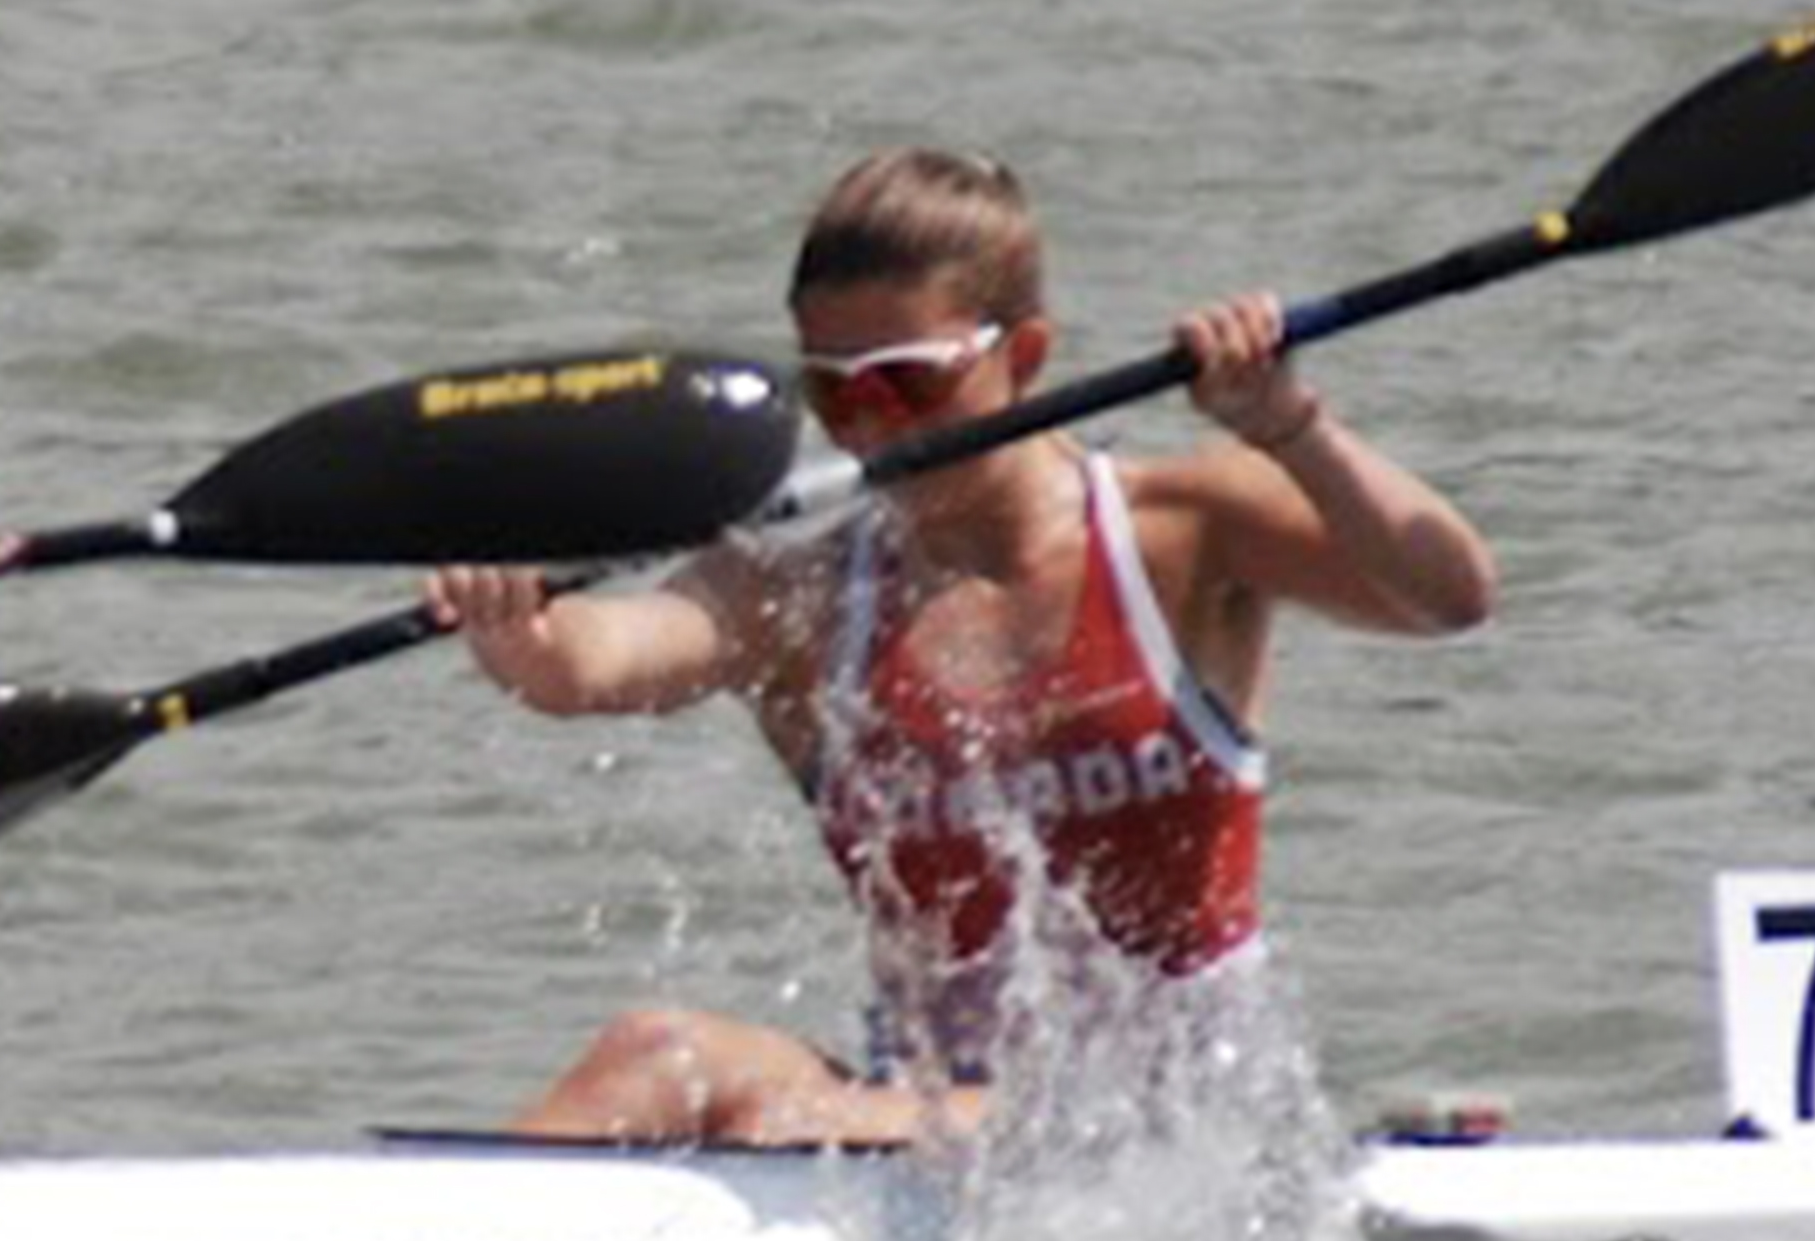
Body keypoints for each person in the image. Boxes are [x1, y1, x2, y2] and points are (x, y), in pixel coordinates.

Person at [427, 143, 1497, 1144]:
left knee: (838, 1120)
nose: (869, 426)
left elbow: (1450, 594)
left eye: (905, 381)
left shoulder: (1185, 528)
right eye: (832, 391)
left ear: (1024, 354)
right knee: (649, 1052)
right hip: (928, 1112)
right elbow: (591, 663)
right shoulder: (794, 591)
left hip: (1189, 1118)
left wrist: (1290, 427)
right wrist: (514, 618)